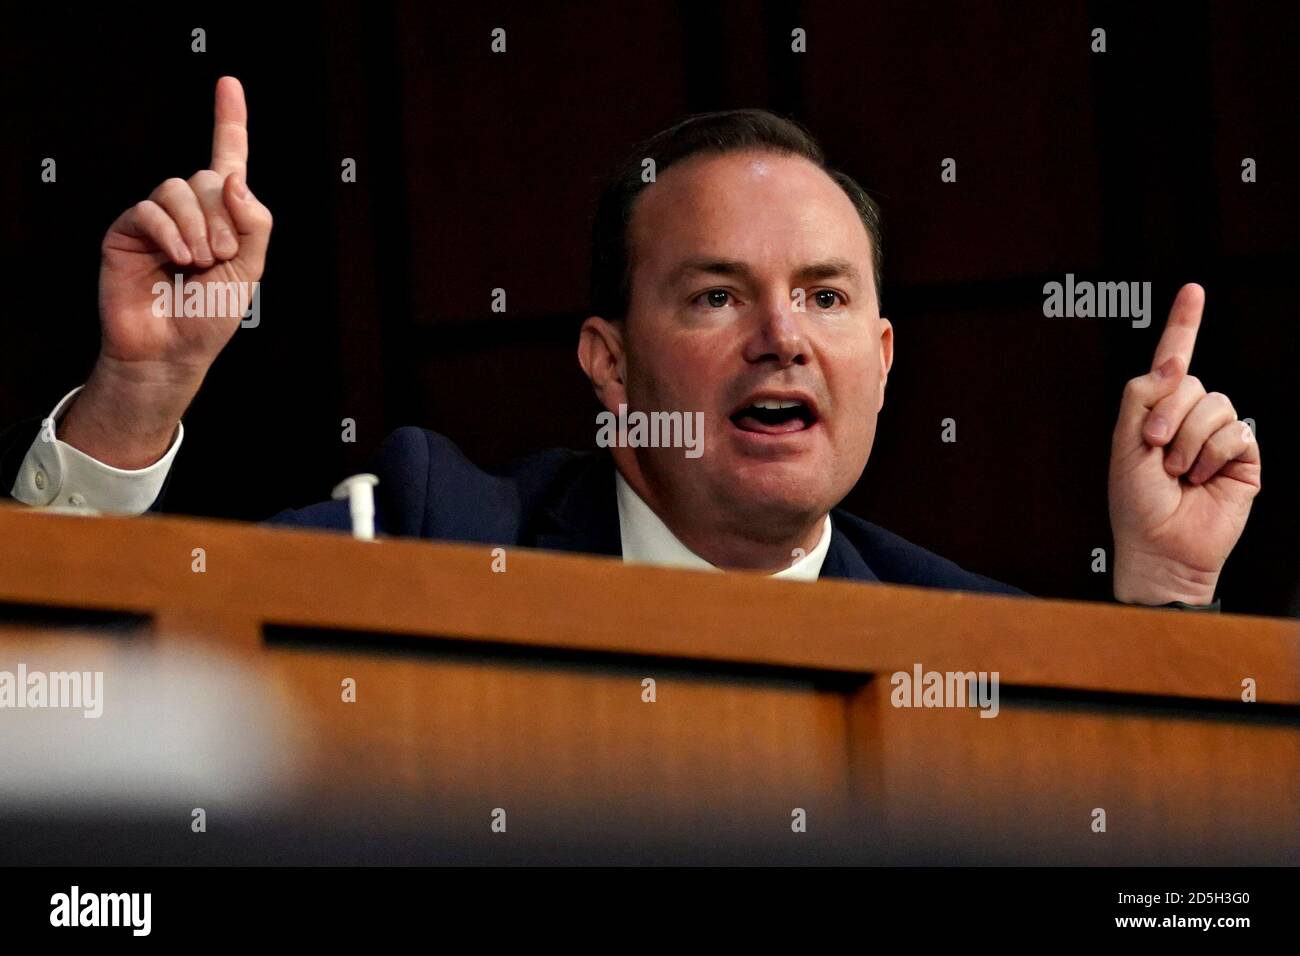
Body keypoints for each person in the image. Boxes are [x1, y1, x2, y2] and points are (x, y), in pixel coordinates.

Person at [3, 77, 1261, 606]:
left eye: (826, 299)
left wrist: (1162, 607)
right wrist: (136, 396)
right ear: (608, 364)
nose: (782, 338)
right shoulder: (448, 528)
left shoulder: (968, 636)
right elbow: (77, 687)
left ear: (883, 355)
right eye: (716, 296)